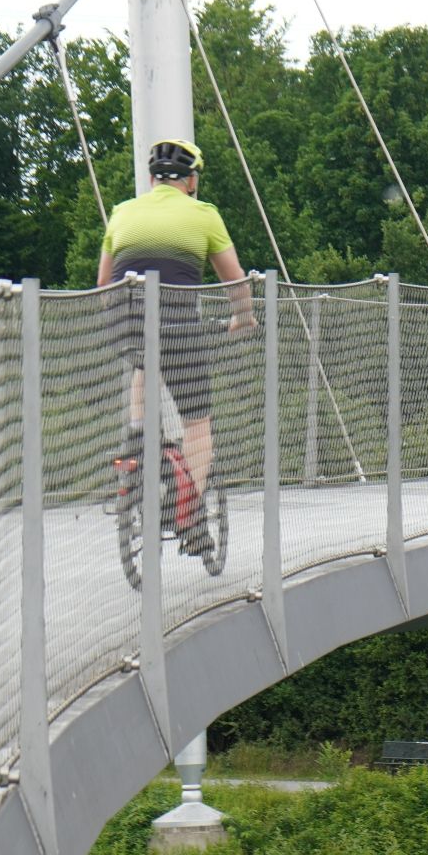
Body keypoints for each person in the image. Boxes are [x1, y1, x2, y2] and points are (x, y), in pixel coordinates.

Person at [97, 137, 255, 554]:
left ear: (152, 179)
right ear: (192, 181)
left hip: (123, 322)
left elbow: (102, 285)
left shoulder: (122, 212)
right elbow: (235, 280)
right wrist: (244, 316)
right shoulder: (204, 215)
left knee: (143, 359)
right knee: (197, 422)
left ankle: (136, 435)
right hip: (178, 326)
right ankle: (189, 515)